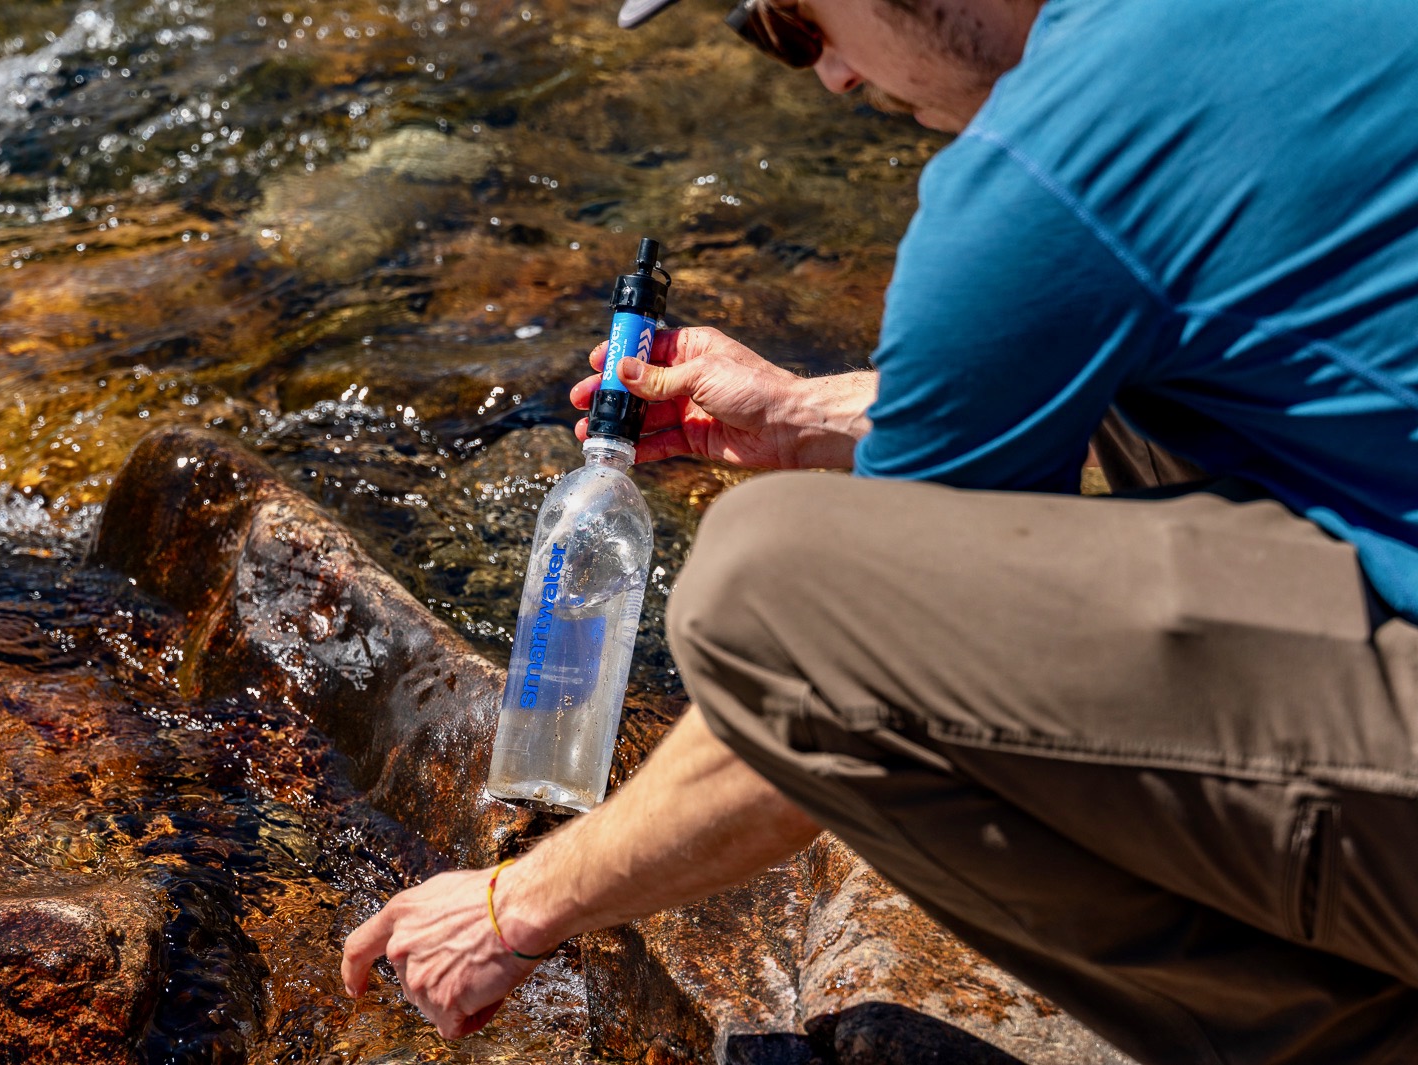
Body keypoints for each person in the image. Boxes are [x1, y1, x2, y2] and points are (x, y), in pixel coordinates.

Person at [342, 0, 1418, 1060]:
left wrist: (512, 909)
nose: (831, 78)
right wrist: (814, 417)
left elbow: (816, 694)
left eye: (792, 26)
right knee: (1133, 388)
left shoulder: (1041, 172)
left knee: (767, 588)